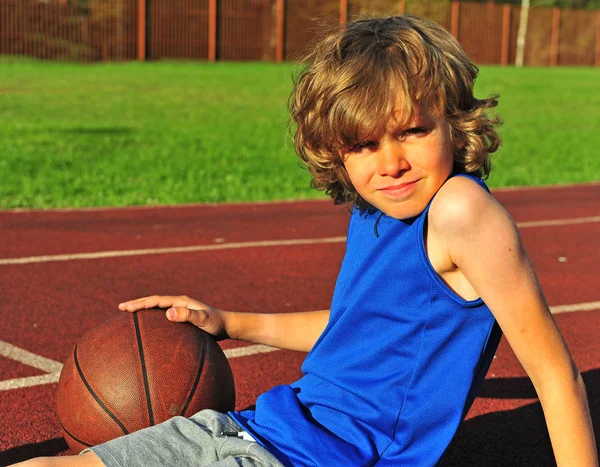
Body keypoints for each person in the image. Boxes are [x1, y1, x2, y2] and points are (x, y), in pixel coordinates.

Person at [15, 15, 596, 467]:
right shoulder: (375, 213)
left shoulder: (460, 210)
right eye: (364, 145)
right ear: (337, 151)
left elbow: (555, 374)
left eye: (413, 131)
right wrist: (230, 321)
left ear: (454, 121)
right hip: (252, 431)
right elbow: (357, 330)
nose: (391, 162)